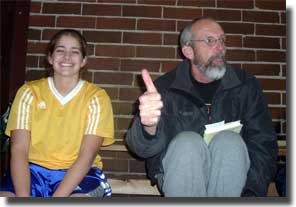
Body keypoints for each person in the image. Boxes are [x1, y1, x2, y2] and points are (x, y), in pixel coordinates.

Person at [125, 17, 278, 197]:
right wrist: (148, 127)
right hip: (180, 176)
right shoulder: (165, 89)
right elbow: (141, 149)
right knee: (187, 142)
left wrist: (250, 193)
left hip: (234, 183)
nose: (220, 47)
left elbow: (263, 145)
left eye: (222, 40)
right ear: (188, 51)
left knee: (229, 141)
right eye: (210, 41)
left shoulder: (245, 86)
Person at [0, 29, 114, 197]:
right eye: (60, 50)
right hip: (32, 171)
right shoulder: (29, 92)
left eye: (74, 52)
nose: (67, 57)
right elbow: (19, 149)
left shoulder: (96, 97)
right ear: (50, 57)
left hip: (81, 174)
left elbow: (86, 156)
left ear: (83, 61)